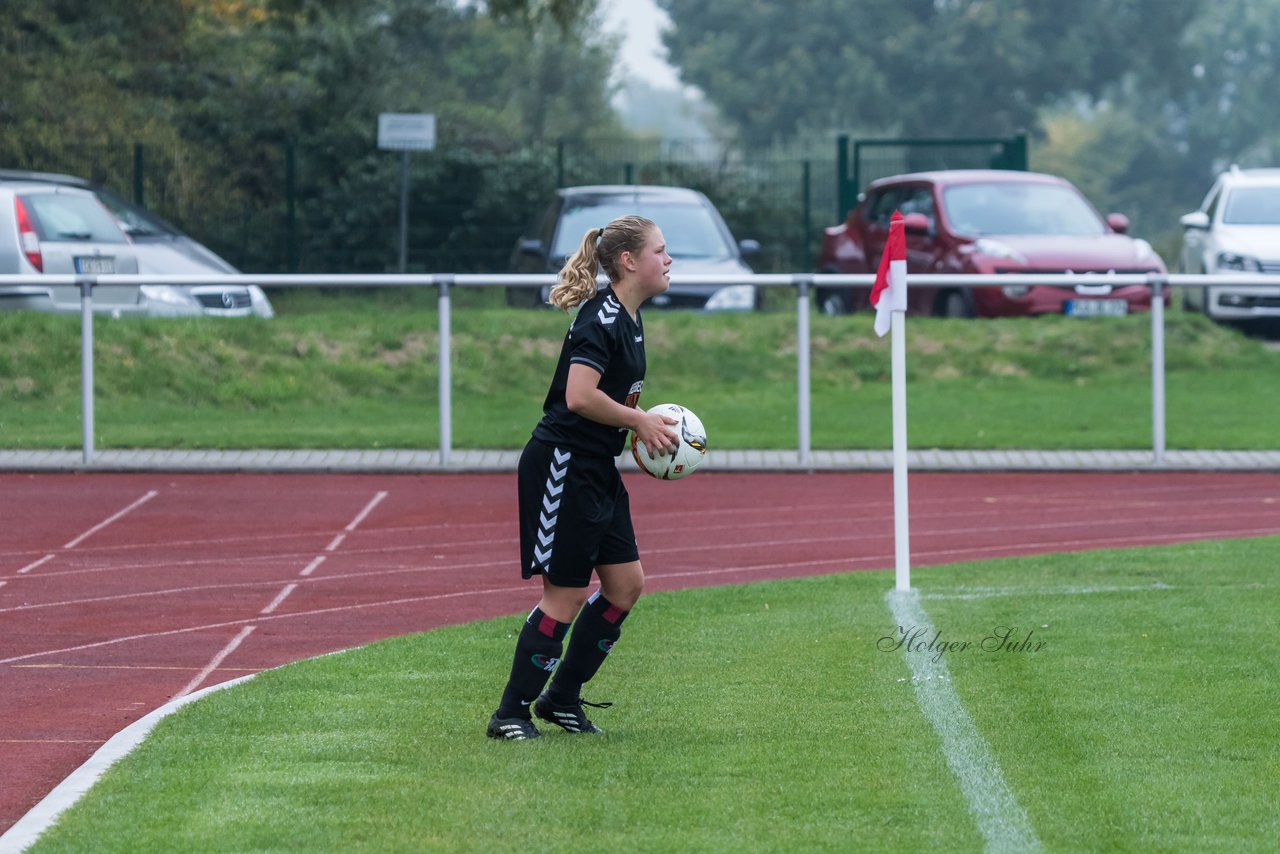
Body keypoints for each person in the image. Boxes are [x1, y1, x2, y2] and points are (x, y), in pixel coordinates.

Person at [486, 215, 678, 740]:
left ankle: (561, 698)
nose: (668, 259)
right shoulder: (603, 318)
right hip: (562, 465)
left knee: (624, 586)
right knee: (565, 595)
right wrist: (638, 420)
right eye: (660, 251)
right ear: (628, 261)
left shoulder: (631, 319)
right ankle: (510, 713)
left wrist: (635, 430)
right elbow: (578, 396)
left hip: (596, 467)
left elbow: (608, 403)